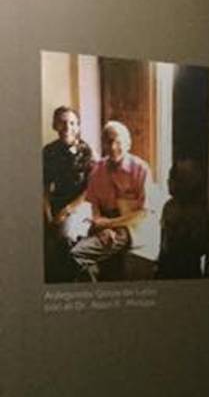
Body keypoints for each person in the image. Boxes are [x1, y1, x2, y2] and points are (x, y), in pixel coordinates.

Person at [70, 120, 155, 280]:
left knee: (76, 255)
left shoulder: (141, 169)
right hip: (105, 224)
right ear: (103, 144)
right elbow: (93, 205)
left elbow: (142, 213)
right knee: (74, 250)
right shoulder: (97, 170)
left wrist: (108, 224)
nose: (113, 147)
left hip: (129, 226)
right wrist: (101, 226)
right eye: (109, 142)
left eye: (118, 141)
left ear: (128, 143)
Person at [42, 106, 95, 279]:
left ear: (78, 126)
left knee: (64, 236)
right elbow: (44, 187)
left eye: (72, 123)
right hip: (56, 203)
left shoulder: (86, 151)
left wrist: (68, 210)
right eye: (62, 123)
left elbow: (90, 189)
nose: (67, 128)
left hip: (80, 204)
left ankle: (71, 279)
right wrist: (48, 214)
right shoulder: (49, 151)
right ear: (54, 125)